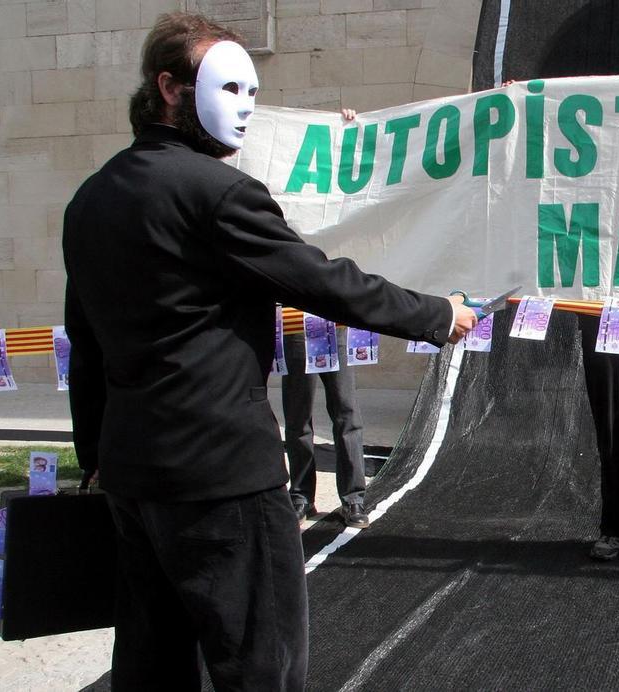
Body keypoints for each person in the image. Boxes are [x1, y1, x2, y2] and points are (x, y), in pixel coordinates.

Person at [62, 13, 476, 689]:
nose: (246, 108)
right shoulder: (218, 194)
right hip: (224, 478)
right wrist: (437, 314)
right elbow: (322, 281)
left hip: (132, 476)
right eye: (230, 89)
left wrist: (94, 457)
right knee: (263, 666)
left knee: (151, 665)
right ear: (169, 88)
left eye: (252, 93)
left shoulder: (92, 197)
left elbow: (86, 342)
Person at [283, 323, 372, 527]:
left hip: (335, 324)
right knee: (298, 415)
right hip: (296, 324)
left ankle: (353, 498)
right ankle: (301, 496)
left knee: (347, 412)